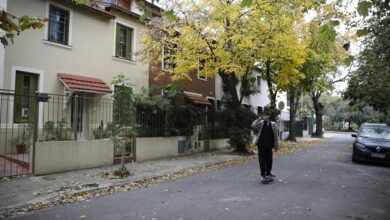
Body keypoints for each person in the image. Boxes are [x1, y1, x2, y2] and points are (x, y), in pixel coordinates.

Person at [251, 110, 279, 184]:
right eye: (263, 115)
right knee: (262, 160)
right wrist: (258, 119)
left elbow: (276, 135)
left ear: (269, 116)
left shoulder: (273, 124)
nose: (265, 117)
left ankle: (268, 173)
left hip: (269, 145)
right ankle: (262, 175)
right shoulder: (260, 123)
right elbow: (253, 126)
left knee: (269, 160)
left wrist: (276, 145)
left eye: (266, 115)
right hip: (261, 145)